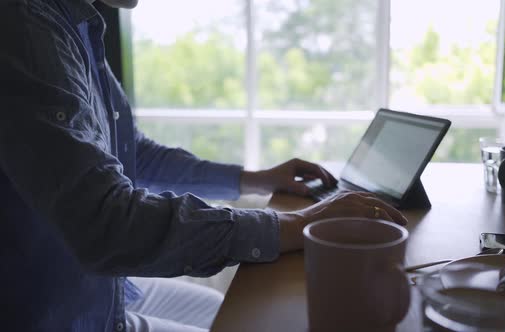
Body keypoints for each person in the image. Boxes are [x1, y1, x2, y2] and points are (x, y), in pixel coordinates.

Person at [0, 0, 407, 331]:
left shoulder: (78, 23)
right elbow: (108, 223)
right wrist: (295, 225)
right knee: (257, 321)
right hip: (59, 314)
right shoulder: (28, 31)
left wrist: (254, 179)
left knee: (235, 312)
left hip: (112, 295)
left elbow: (134, 154)